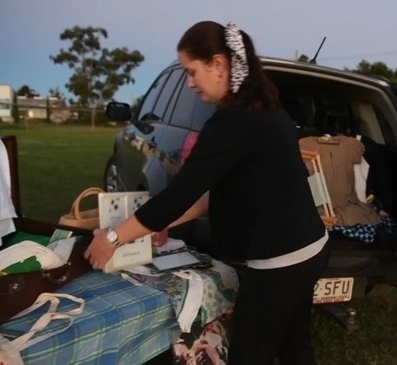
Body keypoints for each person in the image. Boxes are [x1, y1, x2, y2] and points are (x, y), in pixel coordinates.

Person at [84, 20, 329, 365]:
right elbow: (208, 197)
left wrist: (111, 238)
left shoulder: (234, 121)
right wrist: (156, 224)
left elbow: (177, 195)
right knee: (294, 346)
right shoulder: (263, 109)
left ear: (217, 64)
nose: (190, 83)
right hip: (309, 249)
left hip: (281, 263)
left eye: (192, 71)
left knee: (250, 353)